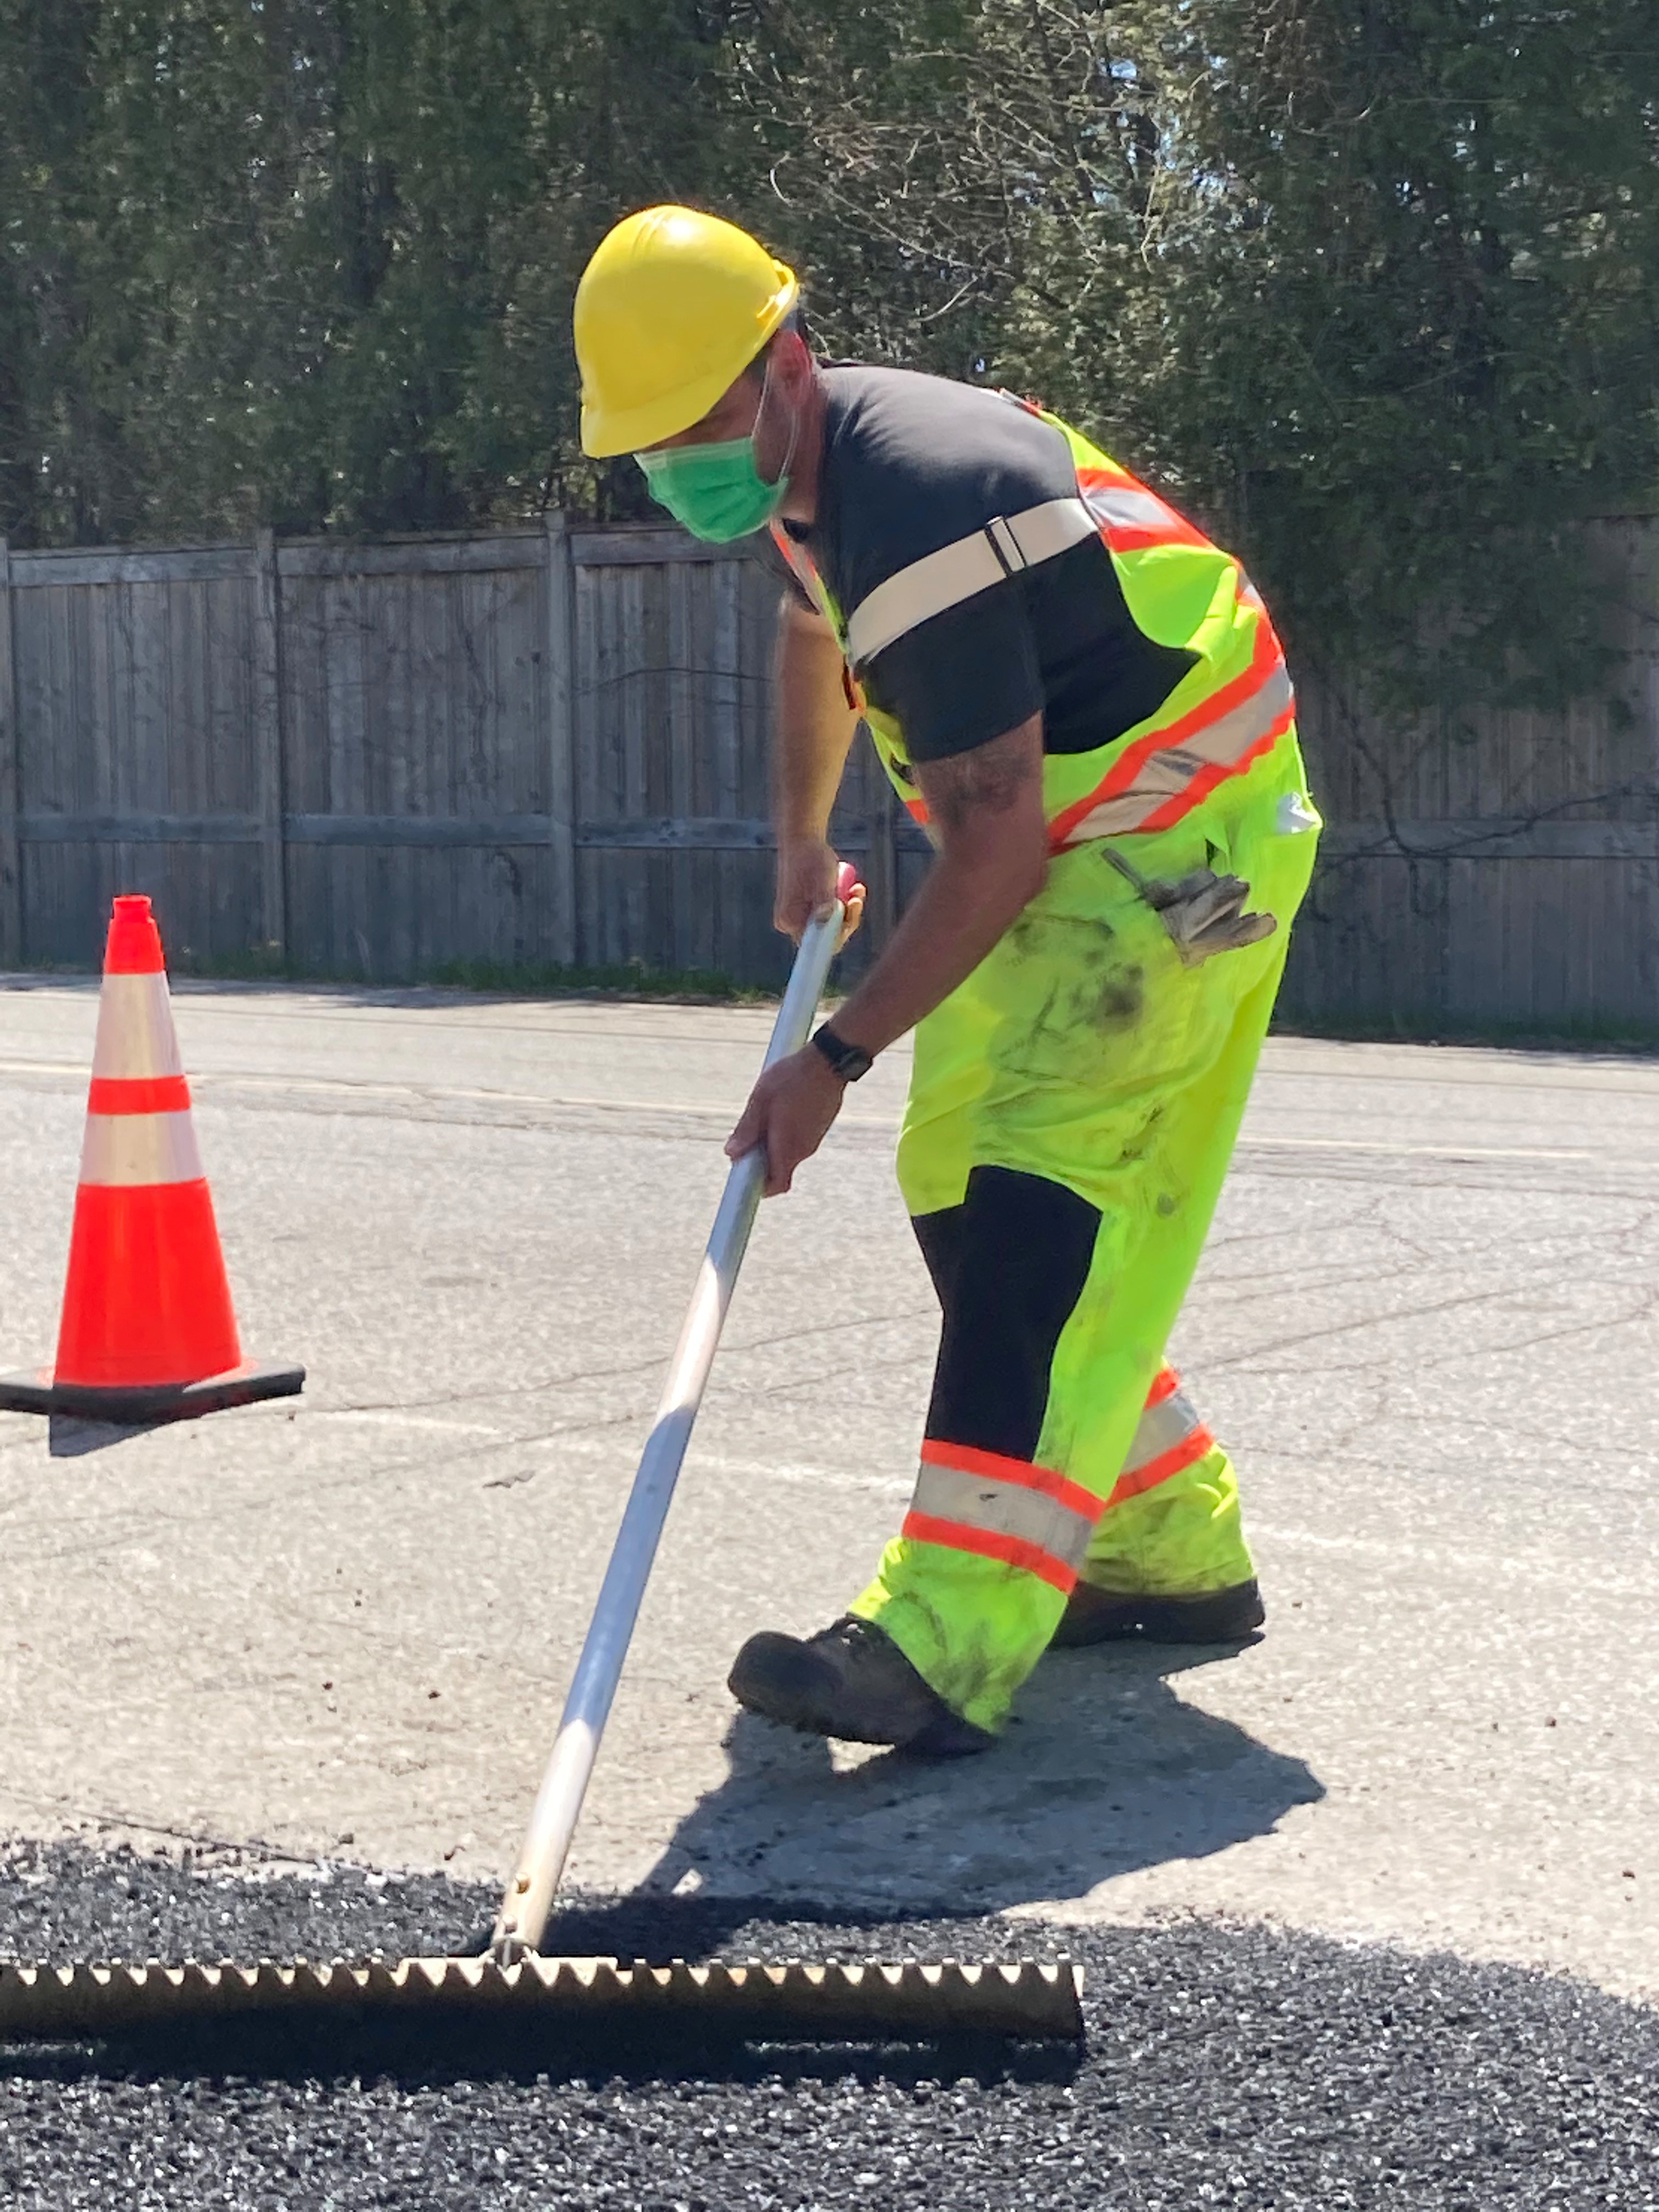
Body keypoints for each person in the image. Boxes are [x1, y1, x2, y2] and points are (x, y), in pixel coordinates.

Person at [572, 204, 1322, 1757]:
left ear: (785, 363)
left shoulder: (921, 502)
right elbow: (809, 625)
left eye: (696, 425)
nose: (676, 466)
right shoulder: (811, 479)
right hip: (1076, 832)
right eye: (649, 448)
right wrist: (799, 834)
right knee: (954, 1171)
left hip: (1178, 844)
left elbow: (989, 847)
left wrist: (830, 1059)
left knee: (1041, 1187)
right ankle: (1163, 1547)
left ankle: (942, 1640)